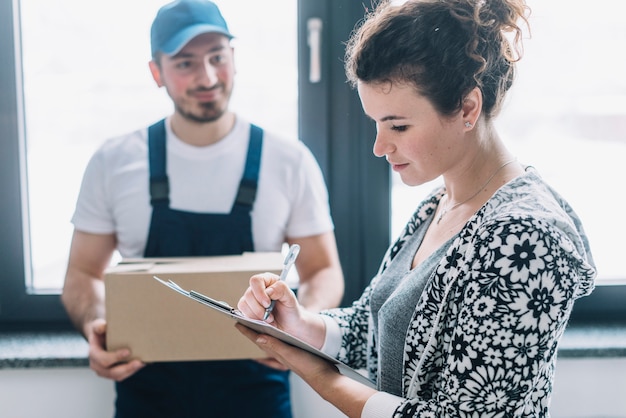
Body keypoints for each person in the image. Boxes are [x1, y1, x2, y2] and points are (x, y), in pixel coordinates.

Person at [235, 0, 597, 416]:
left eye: (399, 126)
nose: (379, 147)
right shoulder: (439, 203)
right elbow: (378, 329)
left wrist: (318, 375)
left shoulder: (523, 238)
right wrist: (300, 323)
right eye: (376, 124)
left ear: (467, 108)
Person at [60, 0, 344, 417]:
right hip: (147, 395)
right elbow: (82, 275)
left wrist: (301, 327)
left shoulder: (288, 161)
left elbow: (322, 271)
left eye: (217, 57)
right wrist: (99, 328)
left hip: (257, 394)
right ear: (156, 72)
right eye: (185, 63)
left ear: (234, 58)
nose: (207, 76)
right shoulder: (114, 162)